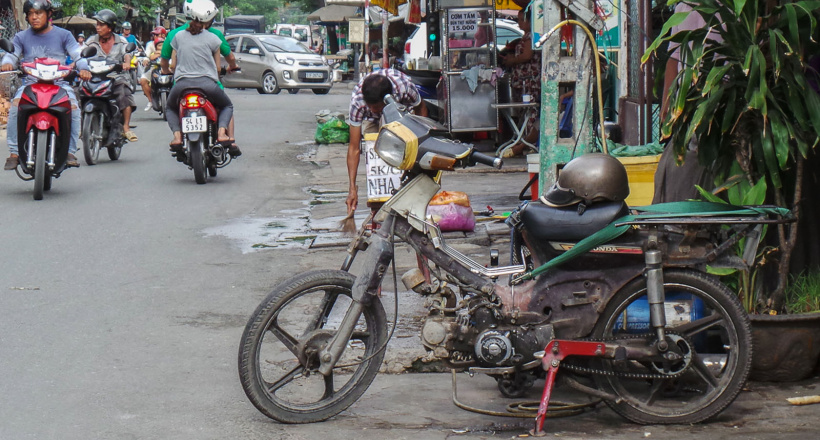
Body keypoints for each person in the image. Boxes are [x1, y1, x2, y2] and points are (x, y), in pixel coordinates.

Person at [2, 0, 91, 170]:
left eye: (39, 13)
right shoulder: (21, 37)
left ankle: (70, 151)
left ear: (48, 14)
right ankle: (14, 152)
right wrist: (7, 63)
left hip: (59, 85)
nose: (34, 17)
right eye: (30, 14)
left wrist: (84, 68)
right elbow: (12, 55)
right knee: (15, 105)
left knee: (73, 107)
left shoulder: (64, 35)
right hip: (30, 84)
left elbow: (78, 55)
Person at [161, 0, 239, 158]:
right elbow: (218, 68)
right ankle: (223, 134)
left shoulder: (176, 36)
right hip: (207, 85)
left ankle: (177, 136)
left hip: (181, 85)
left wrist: (168, 71)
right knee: (227, 105)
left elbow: (171, 63)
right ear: (208, 20)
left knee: (170, 108)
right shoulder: (213, 37)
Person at [345, 68, 428, 215]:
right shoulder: (357, 102)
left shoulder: (404, 88)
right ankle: (378, 205)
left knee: (404, 151)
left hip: (400, 114)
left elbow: (421, 109)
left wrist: (420, 144)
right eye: (370, 107)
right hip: (371, 122)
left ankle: (406, 193)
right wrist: (352, 188)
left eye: (376, 107)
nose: (373, 109)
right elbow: (354, 148)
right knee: (376, 156)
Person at [85, 9, 138, 143]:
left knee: (124, 93)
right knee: (79, 91)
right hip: (95, 77)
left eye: (101, 25)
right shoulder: (92, 40)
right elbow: (82, 54)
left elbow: (127, 54)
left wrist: (126, 63)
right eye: (97, 24)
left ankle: (126, 127)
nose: (98, 27)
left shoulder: (121, 41)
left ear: (110, 27)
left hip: (116, 76)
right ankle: (84, 124)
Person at [498, 6, 541, 158]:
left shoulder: (531, 37)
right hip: (522, 80)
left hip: (529, 81)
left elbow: (527, 56)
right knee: (524, 111)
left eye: (521, 19)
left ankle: (526, 144)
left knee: (530, 111)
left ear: (530, 21)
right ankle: (522, 140)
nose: (519, 23)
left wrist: (513, 60)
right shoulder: (524, 37)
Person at [140, 26, 167, 111]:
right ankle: (150, 100)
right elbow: (147, 54)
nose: (154, 36)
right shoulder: (150, 44)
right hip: (154, 67)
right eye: (154, 35)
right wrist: (146, 59)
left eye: (157, 34)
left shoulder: (169, 42)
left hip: (168, 67)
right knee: (143, 80)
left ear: (163, 35)